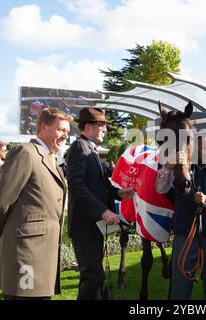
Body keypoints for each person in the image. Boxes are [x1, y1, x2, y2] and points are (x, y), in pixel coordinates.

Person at [0, 108, 72, 300]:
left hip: (42, 254)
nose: (65, 135)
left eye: (67, 131)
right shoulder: (26, 152)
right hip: (26, 253)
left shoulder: (49, 158)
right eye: (61, 130)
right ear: (43, 128)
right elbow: (0, 200)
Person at [67, 107, 134, 300]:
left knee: (96, 276)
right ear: (87, 127)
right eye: (101, 124)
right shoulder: (80, 147)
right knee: (92, 276)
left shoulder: (90, 148)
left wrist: (118, 193)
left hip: (92, 226)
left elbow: (97, 185)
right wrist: (102, 211)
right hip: (85, 227)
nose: (105, 128)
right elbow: (76, 185)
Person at [155, 135, 206, 300]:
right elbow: (160, 187)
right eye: (202, 148)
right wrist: (168, 166)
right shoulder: (180, 170)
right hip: (185, 235)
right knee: (180, 286)